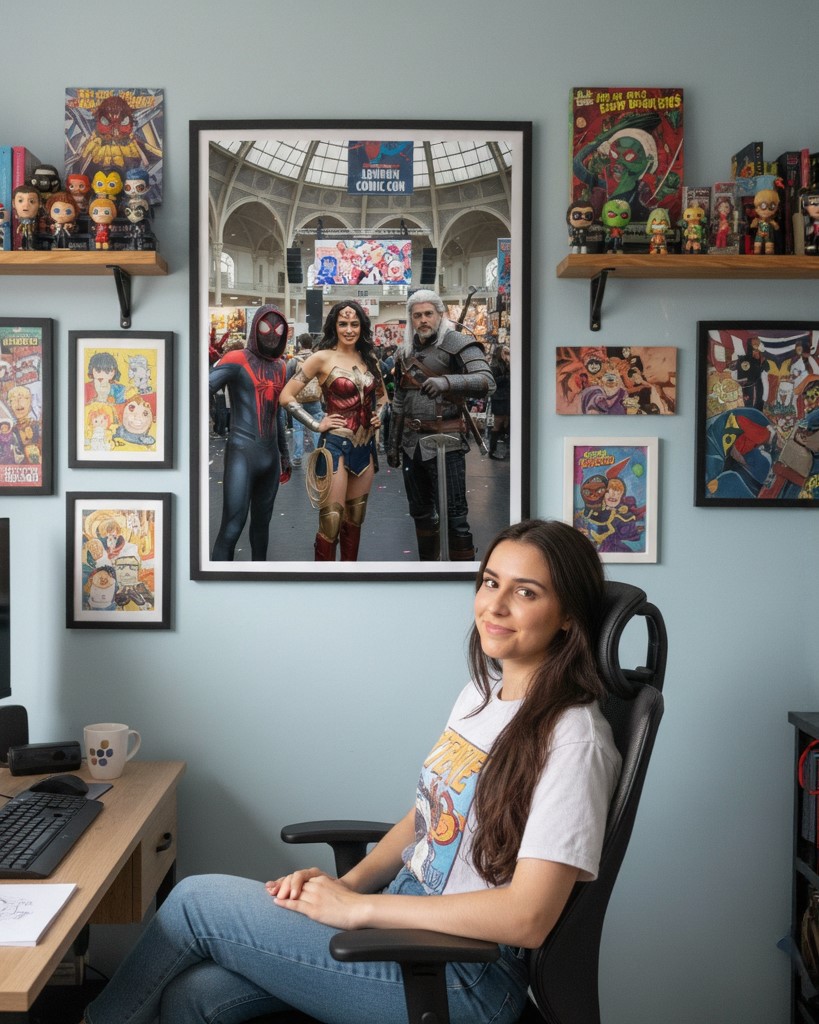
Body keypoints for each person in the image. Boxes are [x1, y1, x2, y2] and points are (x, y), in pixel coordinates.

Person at [79, 518, 621, 1024]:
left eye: (525, 592)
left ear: (568, 613)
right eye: (489, 582)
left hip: (467, 974)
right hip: (405, 922)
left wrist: (357, 911)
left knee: (194, 903)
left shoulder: (574, 738)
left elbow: (527, 917)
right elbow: (429, 815)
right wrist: (347, 887)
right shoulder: (484, 694)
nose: (494, 605)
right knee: (194, 996)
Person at [388, 290, 496, 561]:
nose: (423, 320)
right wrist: (392, 444)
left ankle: (459, 577)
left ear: (440, 315)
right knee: (421, 513)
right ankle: (428, 570)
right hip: (412, 445)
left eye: (428, 314)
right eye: (417, 315)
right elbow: (400, 400)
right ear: (411, 319)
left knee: (455, 515)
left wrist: (447, 382)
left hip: (446, 442)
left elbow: (487, 382)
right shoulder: (405, 351)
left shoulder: (459, 343)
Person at [279, 300, 388, 561]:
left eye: (354, 324)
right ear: (334, 326)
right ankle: (323, 583)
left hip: (365, 449)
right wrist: (317, 424)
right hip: (335, 448)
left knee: (355, 520)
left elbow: (383, 398)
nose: (349, 329)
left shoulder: (369, 358)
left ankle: (349, 579)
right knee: (331, 520)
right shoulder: (321, 357)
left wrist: (378, 417)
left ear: (362, 326)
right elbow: (286, 396)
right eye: (343, 324)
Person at [209, 304, 292, 561]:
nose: (271, 334)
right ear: (255, 327)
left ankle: (259, 583)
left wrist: (284, 454)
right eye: (265, 327)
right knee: (232, 526)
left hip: (268, 457)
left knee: (261, 528)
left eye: (278, 329)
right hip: (242, 455)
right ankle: (219, 590)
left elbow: (277, 413)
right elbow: (200, 390)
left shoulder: (281, 366)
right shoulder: (236, 359)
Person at [285, 332, 322, 467]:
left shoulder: (293, 361)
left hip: (298, 400)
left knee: (298, 428)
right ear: (311, 344)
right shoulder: (317, 359)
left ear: (300, 344)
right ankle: (319, 454)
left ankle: (297, 457)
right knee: (316, 427)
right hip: (314, 398)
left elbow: (287, 379)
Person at [488, 345, 511, 459]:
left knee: (507, 421)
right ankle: (492, 450)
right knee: (498, 422)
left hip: (507, 397)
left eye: (508, 352)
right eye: (505, 352)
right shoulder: (494, 365)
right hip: (499, 397)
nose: (507, 355)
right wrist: (506, 377)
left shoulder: (508, 364)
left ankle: (507, 449)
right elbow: (493, 381)